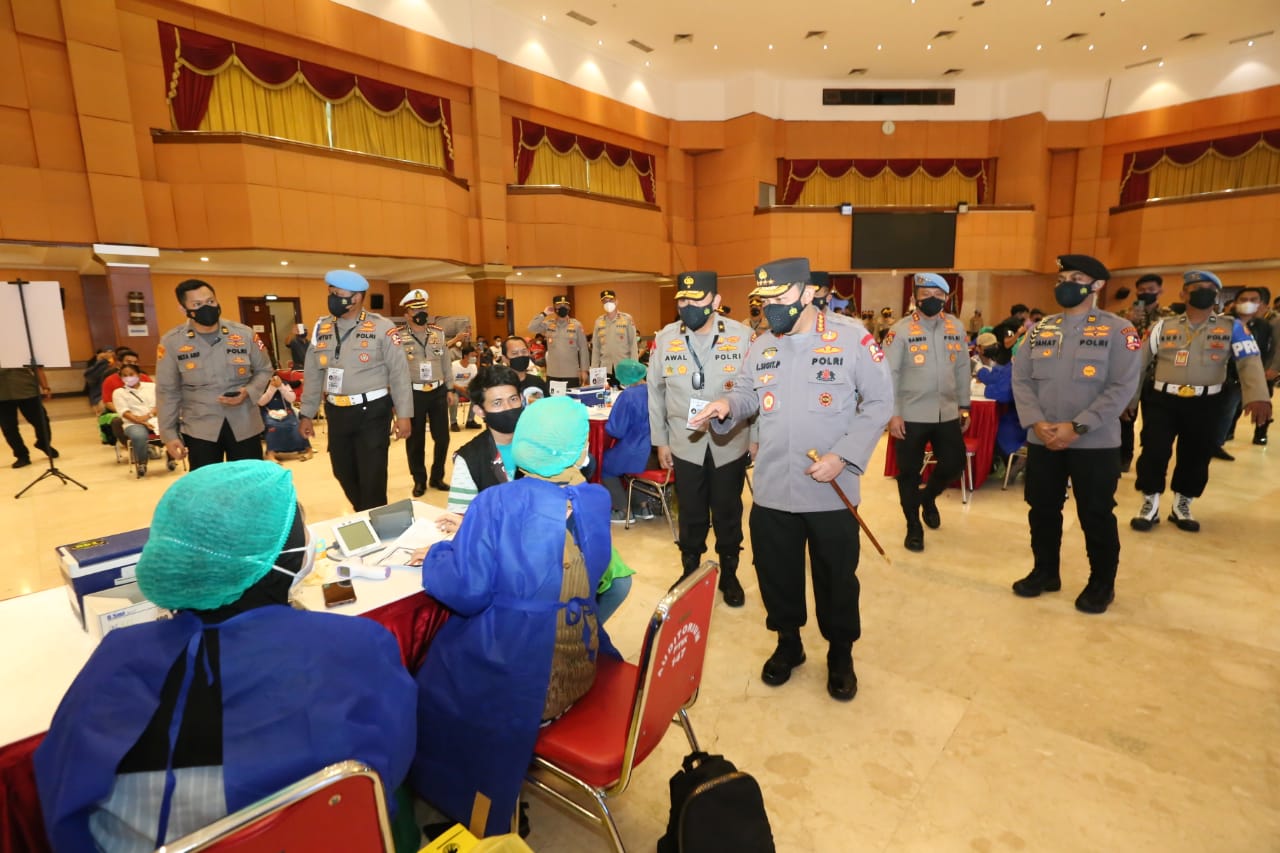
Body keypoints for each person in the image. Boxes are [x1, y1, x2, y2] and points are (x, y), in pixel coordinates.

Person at [34, 461, 417, 852]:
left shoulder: (115, 659)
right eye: (302, 525)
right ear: (282, 558)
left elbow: (62, 798)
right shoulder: (358, 645)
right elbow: (393, 759)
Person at [410, 396, 615, 837]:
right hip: (577, 662)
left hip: (519, 681)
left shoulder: (495, 503)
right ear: (581, 450)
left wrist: (442, 553)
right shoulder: (596, 499)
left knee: (424, 679)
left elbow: (465, 592)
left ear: (521, 442)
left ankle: (472, 802)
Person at [691, 258, 893, 702]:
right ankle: (789, 643)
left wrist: (844, 455)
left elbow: (880, 402)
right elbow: (747, 393)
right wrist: (726, 406)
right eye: (765, 300)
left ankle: (840, 654)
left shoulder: (851, 337)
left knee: (836, 578)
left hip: (829, 489)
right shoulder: (763, 343)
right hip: (772, 488)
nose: (772, 308)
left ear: (807, 292)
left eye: (780, 298)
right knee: (776, 574)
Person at [1010, 255, 1141, 614]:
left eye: (1076, 277)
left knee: (1096, 513)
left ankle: (1101, 583)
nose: (1065, 284)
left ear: (1097, 285)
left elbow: (1122, 387)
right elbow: (1021, 379)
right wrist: (1036, 422)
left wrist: (1077, 426)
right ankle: (1045, 571)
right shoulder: (1040, 329)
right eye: (1061, 278)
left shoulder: (1119, 331)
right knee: (1042, 509)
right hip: (1043, 438)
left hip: (1094, 442)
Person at [1129, 271, 1272, 532]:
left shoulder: (1232, 327)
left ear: (1217, 296)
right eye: (1196, 288)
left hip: (1206, 402)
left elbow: (1249, 361)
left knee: (1196, 454)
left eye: (1209, 288)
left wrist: (1259, 396)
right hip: (1163, 400)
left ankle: (1182, 504)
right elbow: (1138, 364)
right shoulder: (1163, 326)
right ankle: (1150, 502)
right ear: (1183, 294)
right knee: (1153, 451)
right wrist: (1129, 399)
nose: (1202, 292)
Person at [649, 271, 757, 607]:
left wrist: (755, 437)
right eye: (682, 299)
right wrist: (661, 441)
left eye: (696, 299)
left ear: (715, 301)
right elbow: (655, 393)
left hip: (731, 441)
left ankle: (729, 573)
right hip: (684, 442)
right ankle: (690, 570)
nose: (688, 305)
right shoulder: (665, 338)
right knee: (691, 511)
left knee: (728, 509)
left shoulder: (742, 336)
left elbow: (756, 391)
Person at [299, 270, 413, 511]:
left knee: (372, 477)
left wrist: (404, 415)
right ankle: (364, 512)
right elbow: (313, 373)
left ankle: (373, 521)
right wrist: (306, 413)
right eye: (330, 293)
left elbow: (399, 373)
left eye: (338, 294)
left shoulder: (382, 327)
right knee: (342, 470)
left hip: (372, 412)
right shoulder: (322, 327)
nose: (332, 298)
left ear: (356, 297)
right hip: (336, 411)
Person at [883, 274, 971, 552]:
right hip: (910, 414)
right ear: (914, 298)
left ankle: (928, 497)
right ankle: (913, 526)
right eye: (926, 294)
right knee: (909, 473)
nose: (932, 299)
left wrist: (964, 405)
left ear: (946, 297)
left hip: (947, 412)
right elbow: (889, 374)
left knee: (954, 464)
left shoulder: (955, 326)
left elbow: (963, 368)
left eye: (938, 294)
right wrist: (893, 413)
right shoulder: (900, 330)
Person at [156, 280, 273, 470]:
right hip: (200, 428)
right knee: (207, 484)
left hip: (244, 424)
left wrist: (248, 391)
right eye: (197, 304)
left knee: (249, 482)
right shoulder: (171, 342)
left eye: (210, 301)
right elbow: (167, 390)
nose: (206, 308)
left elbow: (265, 369)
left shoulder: (244, 334)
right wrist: (168, 434)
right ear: (183, 309)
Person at [398, 289, 452, 496]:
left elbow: (446, 362)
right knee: (415, 440)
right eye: (416, 310)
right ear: (407, 315)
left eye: (424, 308)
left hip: (437, 391)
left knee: (443, 438)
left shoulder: (438, 333)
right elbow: (395, 369)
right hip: (413, 394)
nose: (422, 313)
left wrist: (449, 388)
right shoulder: (398, 336)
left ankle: (437, 477)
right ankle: (419, 480)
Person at [1213, 287, 1275, 457]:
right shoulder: (1225, 323)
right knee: (1223, 412)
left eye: (1253, 300)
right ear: (1235, 303)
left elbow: (1266, 350)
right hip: (1226, 376)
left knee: (1238, 410)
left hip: (1250, 376)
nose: (1248, 303)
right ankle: (1213, 443)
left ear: (1261, 304)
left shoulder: (1263, 326)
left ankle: (1218, 443)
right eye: (1243, 299)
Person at [600, 359, 656, 521]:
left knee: (605, 465)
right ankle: (643, 507)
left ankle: (623, 509)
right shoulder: (656, 391)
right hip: (655, 452)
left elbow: (616, 430)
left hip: (635, 449)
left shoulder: (628, 395)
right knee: (640, 470)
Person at [974, 332, 1025, 463]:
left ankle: (1012, 461)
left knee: (988, 431)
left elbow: (1003, 393)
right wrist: (983, 370)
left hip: (1018, 422)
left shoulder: (1019, 368)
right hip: (1021, 417)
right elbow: (997, 376)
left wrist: (981, 388)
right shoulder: (1013, 366)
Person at [112, 364, 165, 477]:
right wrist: (143, 422)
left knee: (172, 428)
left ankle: (171, 458)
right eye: (125, 375)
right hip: (133, 423)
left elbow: (160, 403)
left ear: (139, 375)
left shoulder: (152, 387)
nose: (128, 377)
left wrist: (149, 416)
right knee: (138, 435)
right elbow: (125, 413)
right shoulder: (118, 393)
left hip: (156, 419)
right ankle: (142, 463)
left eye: (131, 374)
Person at [0, 365, 56, 468]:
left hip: (27, 391)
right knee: (9, 428)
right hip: (2, 396)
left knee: (41, 421)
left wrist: (45, 387)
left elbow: (37, 368)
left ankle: (43, 443)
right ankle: (22, 455)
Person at [529, 295, 589, 388]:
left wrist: (584, 370)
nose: (562, 308)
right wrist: (544, 314)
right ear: (554, 308)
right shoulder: (548, 325)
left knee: (571, 397)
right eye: (559, 305)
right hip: (553, 373)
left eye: (565, 305)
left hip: (571, 373)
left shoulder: (576, 325)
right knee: (553, 398)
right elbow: (531, 327)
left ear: (569, 307)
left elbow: (583, 349)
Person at [258, 374, 312, 462]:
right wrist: (272, 388)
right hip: (268, 412)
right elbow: (261, 402)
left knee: (297, 425)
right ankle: (270, 454)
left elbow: (292, 398)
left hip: (286, 411)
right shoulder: (259, 384)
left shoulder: (284, 383)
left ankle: (309, 450)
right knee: (272, 427)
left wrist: (280, 386)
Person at [590, 289, 639, 384]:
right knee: (605, 393)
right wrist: (594, 369)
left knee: (625, 393)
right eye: (605, 301)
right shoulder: (599, 322)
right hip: (604, 369)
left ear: (616, 301)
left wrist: (634, 367)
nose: (608, 303)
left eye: (611, 300)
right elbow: (596, 349)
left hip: (624, 368)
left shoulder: (627, 319)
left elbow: (633, 345)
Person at [101, 349, 150, 413]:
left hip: (145, 411)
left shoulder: (144, 378)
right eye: (129, 362)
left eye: (135, 362)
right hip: (119, 412)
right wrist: (126, 413)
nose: (132, 364)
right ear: (119, 363)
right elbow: (108, 402)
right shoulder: (109, 380)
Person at [502, 335, 549, 400]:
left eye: (524, 352)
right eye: (514, 353)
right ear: (505, 358)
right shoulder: (500, 386)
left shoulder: (537, 382)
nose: (520, 355)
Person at [448, 346, 480, 431]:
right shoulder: (454, 365)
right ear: (465, 356)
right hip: (454, 389)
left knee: (476, 397)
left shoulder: (473, 366)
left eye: (475, 356)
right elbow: (448, 381)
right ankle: (453, 422)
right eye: (472, 356)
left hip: (466, 389)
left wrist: (469, 387)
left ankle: (470, 421)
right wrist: (460, 388)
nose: (474, 358)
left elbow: (473, 380)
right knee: (454, 400)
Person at [84, 347, 116, 415]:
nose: (109, 354)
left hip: (117, 396)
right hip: (100, 396)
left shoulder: (119, 367)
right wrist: (101, 362)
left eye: (111, 352)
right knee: (103, 408)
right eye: (107, 352)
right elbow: (90, 378)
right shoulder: (99, 366)